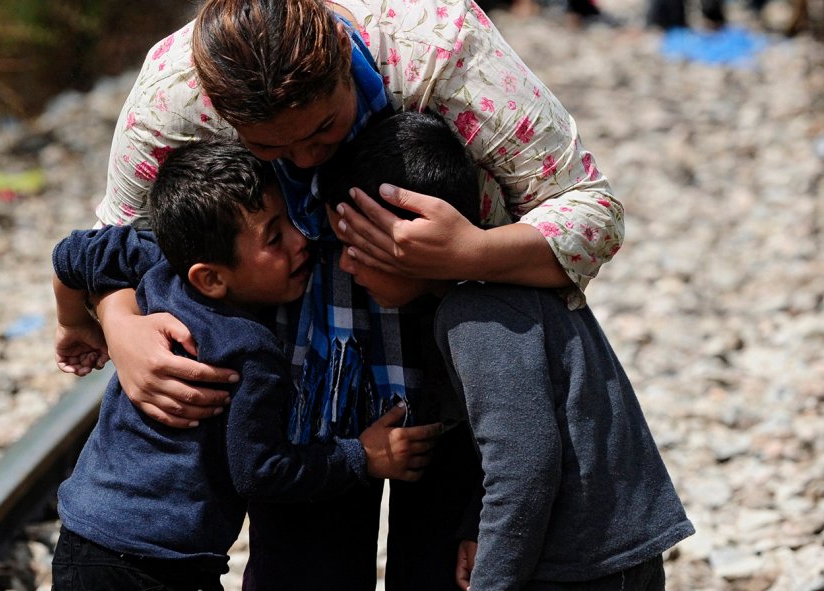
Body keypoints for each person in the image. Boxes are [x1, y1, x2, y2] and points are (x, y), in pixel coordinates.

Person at [57, 0, 624, 588]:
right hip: (292, 367)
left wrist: (462, 254)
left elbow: (592, 212)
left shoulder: (440, 46)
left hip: (454, 337)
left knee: (443, 567)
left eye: (325, 129)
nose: (306, 160)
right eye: (272, 150)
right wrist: (121, 328)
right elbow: (117, 243)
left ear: (346, 66)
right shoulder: (172, 96)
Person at [319, 109, 695, 590]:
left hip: (583, 566)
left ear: (409, 238)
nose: (346, 267)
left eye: (355, 245)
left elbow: (524, 466)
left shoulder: (474, 315)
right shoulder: (506, 277)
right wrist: (476, 525)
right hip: (612, 551)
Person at [50, 138, 441, 590]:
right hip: (160, 566)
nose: (302, 241)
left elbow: (75, 251)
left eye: (290, 222)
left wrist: (72, 319)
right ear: (211, 278)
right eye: (275, 237)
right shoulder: (249, 352)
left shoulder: (157, 261)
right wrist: (362, 456)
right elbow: (261, 471)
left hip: (84, 536)